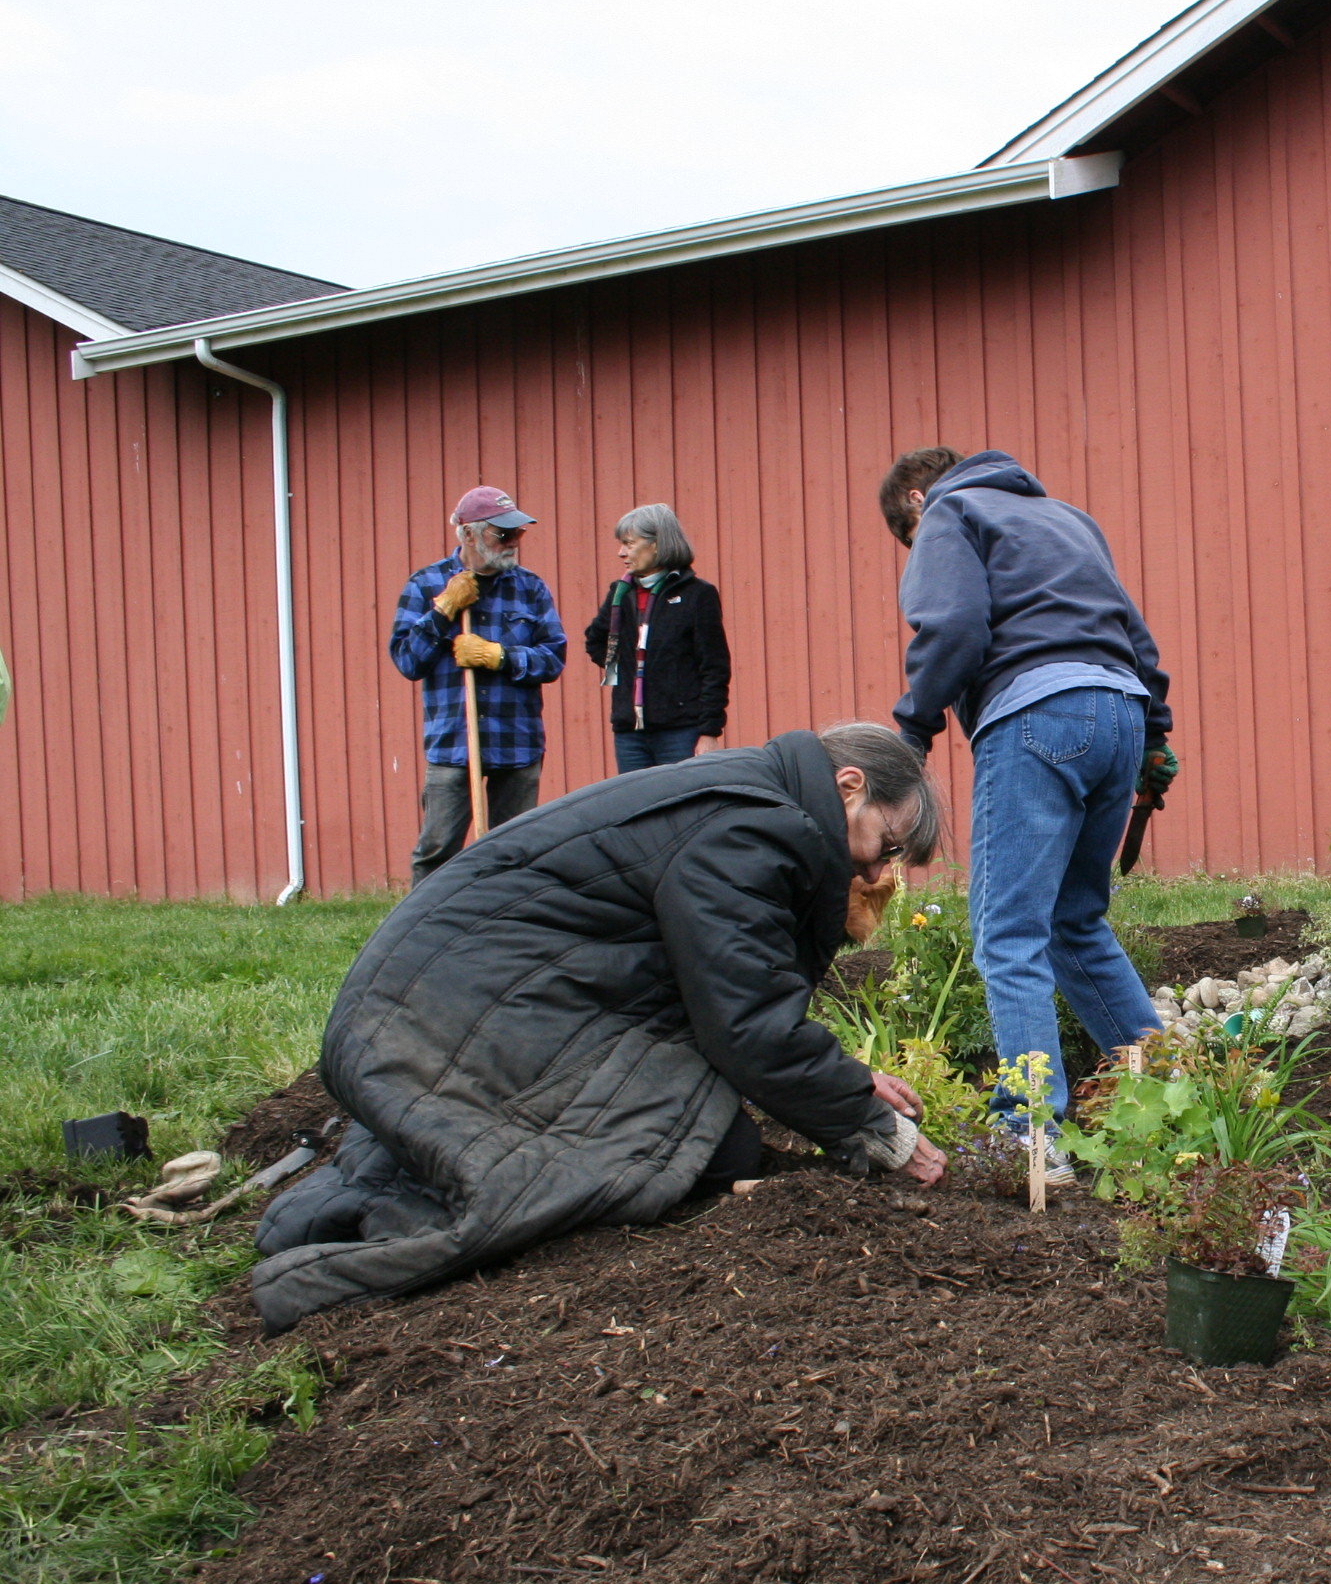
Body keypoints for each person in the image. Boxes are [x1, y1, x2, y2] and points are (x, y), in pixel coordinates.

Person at [251, 722, 947, 1334]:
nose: (878, 870)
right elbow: (747, 1023)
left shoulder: (754, 795)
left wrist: (847, 1081)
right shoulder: (755, 828)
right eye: (885, 843)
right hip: (462, 1012)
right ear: (848, 784)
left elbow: (731, 993)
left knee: (711, 1143)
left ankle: (365, 1189)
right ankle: (347, 1239)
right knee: (692, 1155)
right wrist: (872, 1128)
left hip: (466, 998)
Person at [882, 447, 1176, 1131]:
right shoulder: (1067, 518)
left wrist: (913, 731)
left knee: (1008, 934)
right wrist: (1154, 736)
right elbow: (1136, 634)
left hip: (1036, 716)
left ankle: (1029, 1134)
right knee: (1074, 922)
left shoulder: (950, 510)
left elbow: (952, 625)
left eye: (909, 537)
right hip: (1119, 713)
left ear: (916, 502)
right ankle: (1179, 1108)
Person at [389, 485, 569, 885]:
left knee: (517, 853)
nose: (513, 542)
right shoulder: (426, 584)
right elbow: (407, 660)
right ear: (468, 534)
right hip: (454, 743)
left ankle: (508, 930)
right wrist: (444, 610)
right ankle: (425, 937)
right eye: (502, 534)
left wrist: (500, 656)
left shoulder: (530, 588)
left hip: (516, 742)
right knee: (436, 852)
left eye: (518, 533)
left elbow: (553, 658)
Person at [582, 503, 732, 771]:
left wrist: (709, 732)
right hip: (630, 731)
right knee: (639, 808)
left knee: (682, 808)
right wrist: (630, 668)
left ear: (657, 544)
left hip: (681, 732)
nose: (621, 553)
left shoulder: (697, 594)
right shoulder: (621, 593)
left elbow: (715, 667)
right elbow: (596, 643)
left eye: (629, 543)